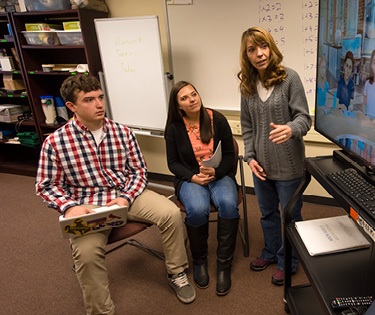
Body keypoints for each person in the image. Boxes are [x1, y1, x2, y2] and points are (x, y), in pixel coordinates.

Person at [35, 75, 194, 315]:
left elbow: (139, 171)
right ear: (71, 107)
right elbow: (47, 185)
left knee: (171, 213)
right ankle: (101, 311)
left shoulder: (122, 132)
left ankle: (177, 272)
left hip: (125, 193)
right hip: (87, 205)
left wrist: (125, 198)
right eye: (89, 100)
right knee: (86, 255)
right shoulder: (56, 142)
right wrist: (68, 207)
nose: (99, 104)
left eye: (100, 97)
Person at [237, 27, 311, 285]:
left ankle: (288, 260)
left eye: (263, 46)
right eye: (252, 49)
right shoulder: (247, 87)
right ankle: (271, 252)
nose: (259, 54)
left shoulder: (290, 78)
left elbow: (304, 119)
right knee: (267, 214)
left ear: (271, 48)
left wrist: (291, 129)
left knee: (290, 216)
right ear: (246, 56)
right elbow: (246, 127)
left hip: (289, 166)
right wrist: (250, 157)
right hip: (261, 168)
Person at [165, 81, 239, 296]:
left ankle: (224, 265)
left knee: (228, 204)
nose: (192, 99)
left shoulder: (217, 119)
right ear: (178, 105)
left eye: (194, 94)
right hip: (191, 178)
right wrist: (192, 177)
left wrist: (216, 172)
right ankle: (200, 262)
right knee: (197, 209)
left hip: (219, 174)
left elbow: (228, 155)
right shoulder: (174, 128)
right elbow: (173, 163)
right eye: (185, 98)